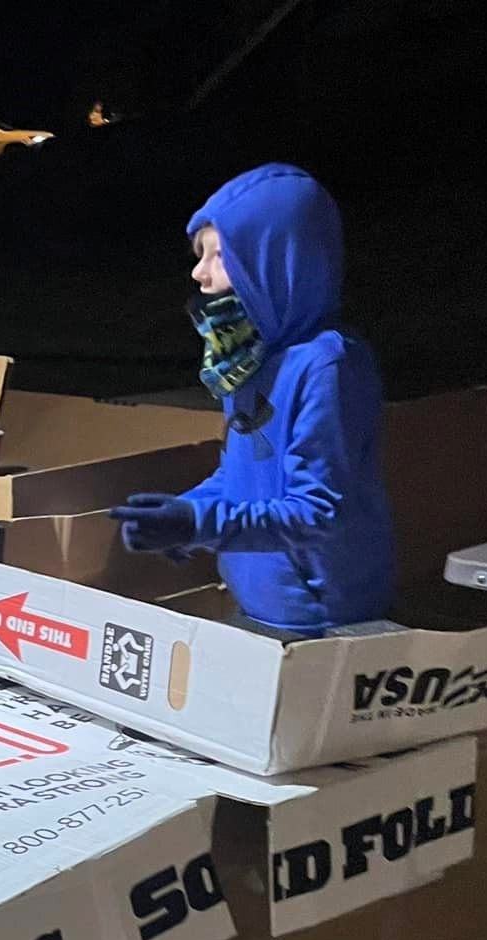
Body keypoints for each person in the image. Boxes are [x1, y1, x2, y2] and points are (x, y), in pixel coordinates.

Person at [111, 164, 396, 638]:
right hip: (262, 602)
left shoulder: (328, 365)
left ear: (276, 264)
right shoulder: (250, 358)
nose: (198, 273)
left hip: (323, 615)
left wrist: (198, 522)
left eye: (220, 256)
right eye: (199, 254)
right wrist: (181, 512)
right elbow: (244, 473)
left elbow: (317, 510)